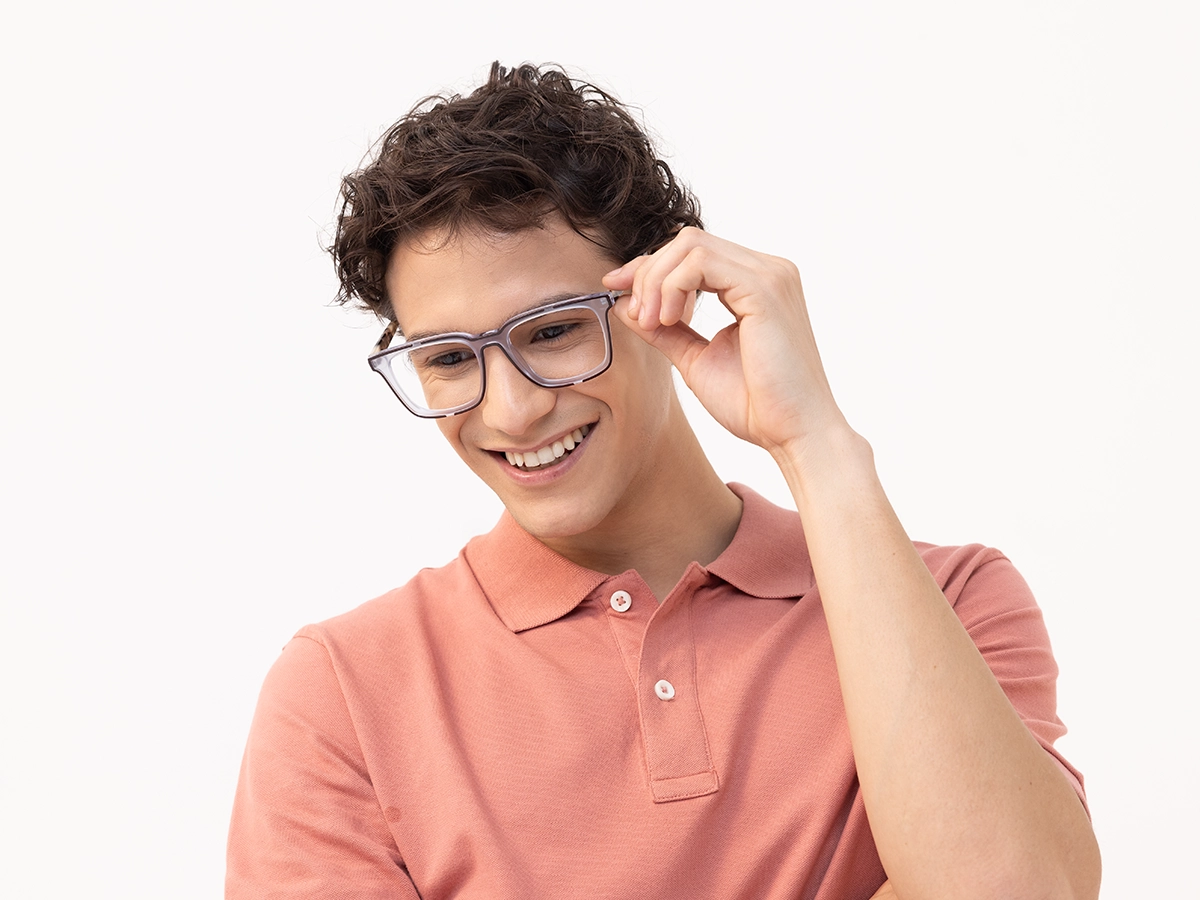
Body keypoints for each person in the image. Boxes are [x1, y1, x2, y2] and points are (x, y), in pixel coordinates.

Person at [226, 62, 1100, 899]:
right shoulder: (342, 692)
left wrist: (818, 449)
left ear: (663, 298)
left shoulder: (950, 600)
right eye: (450, 358)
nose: (513, 411)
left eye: (553, 331)